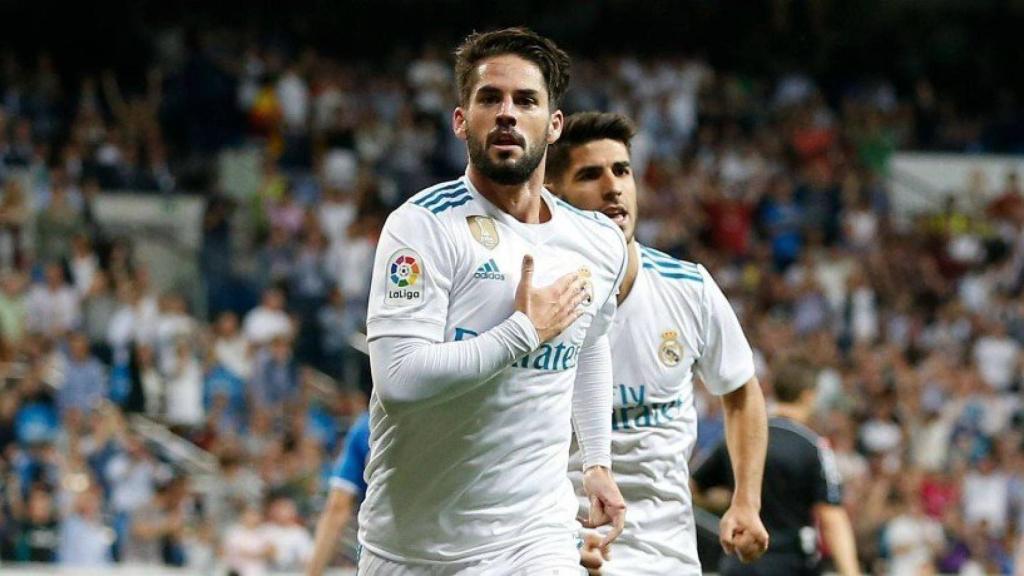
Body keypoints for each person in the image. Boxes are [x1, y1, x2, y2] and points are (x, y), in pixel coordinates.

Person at [359, 27, 628, 575]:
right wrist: (522, 333)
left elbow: (590, 345)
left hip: (536, 536)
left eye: (525, 100)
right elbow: (399, 379)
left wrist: (597, 461)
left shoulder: (597, 241)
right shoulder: (423, 226)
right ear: (462, 120)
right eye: (490, 98)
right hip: (414, 547)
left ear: (554, 126)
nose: (507, 113)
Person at [546, 111, 770, 575]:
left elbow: (742, 394)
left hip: (664, 553)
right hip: (554, 546)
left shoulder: (689, 288)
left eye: (622, 171)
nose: (613, 186)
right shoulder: (533, 299)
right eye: (590, 175)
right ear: (554, 196)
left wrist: (746, 501)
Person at [692, 357, 860, 576]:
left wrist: (727, 501)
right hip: (790, 564)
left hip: (738, 564)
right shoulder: (812, 447)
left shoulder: (738, 438)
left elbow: (691, 487)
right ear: (809, 396)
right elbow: (831, 517)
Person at [306, 412, 370, 576]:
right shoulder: (443, 423)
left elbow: (337, 508)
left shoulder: (368, 427)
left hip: (386, 557)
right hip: (442, 553)